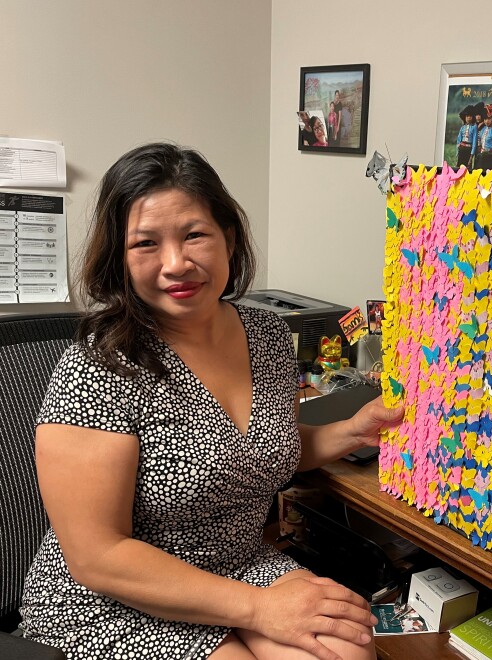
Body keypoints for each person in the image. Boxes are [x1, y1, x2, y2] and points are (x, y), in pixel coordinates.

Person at [18, 142, 403, 660]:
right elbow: (98, 557)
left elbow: (258, 450)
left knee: (347, 651)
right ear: (120, 258)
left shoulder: (266, 334)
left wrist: (352, 431)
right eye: (146, 244)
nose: (176, 263)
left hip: (236, 561)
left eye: (194, 235)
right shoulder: (100, 366)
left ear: (229, 237)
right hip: (118, 593)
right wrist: (259, 609)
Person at [473, 103, 492, 171]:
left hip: (489, 158)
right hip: (481, 157)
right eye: (485, 119)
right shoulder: (483, 129)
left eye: (489, 119)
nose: (487, 121)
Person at [455, 105, 476, 169]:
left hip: (468, 150)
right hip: (462, 149)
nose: (468, 118)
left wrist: (471, 155)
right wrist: (457, 152)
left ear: (473, 117)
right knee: (459, 167)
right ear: (465, 117)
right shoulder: (462, 128)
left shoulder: (474, 127)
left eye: (470, 116)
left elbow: (474, 142)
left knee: (467, 167)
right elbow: (459, 140)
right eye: (467, 116)